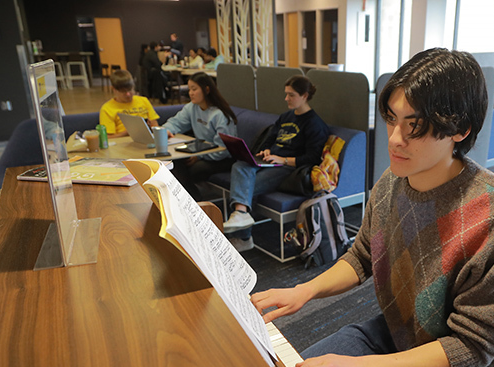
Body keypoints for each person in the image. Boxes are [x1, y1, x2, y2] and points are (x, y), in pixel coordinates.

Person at [251, 48, 494, 367]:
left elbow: (473, 346)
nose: (394, 139)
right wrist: (304, 290)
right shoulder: (393, 182)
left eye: (414, 126)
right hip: (399, 333)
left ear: (460, 129)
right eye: (392, 119)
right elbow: (363, 256)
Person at [223, 75, 329, 251]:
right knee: (240, 165)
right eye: (286, 94)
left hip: (288, 168)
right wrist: (266, 150)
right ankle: (241, 215)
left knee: (246, 184)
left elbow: (312, 159)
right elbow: (270, 138)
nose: (286, 98)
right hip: (270, 162)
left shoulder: (315, 124)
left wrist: (283, 159)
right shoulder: (286, 116)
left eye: (291, 95)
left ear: (304, 96)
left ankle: (243, 235)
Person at [163, 72, 238, 201]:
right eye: (189, 89)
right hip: (201, 152)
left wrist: (199, 156)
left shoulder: (220, 115)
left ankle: (195, 203)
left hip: (223, 158)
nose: (190, 93)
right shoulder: (192, 107)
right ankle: (192, 202)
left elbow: (222, 149)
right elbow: (176, 122)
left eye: (194, 89)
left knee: (190, 171)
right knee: (174, 164)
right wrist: (165, 130)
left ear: (207, 89)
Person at [99, 69, 159, 138]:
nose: (128, 94)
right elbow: (107, 137)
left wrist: (149, 128)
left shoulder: (143, 100)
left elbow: (155, 125)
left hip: (145, 139)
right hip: (122, 142)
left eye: (130, 90)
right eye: (123, 91)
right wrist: (128, 132)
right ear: (114, 90)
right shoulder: (107, 109)